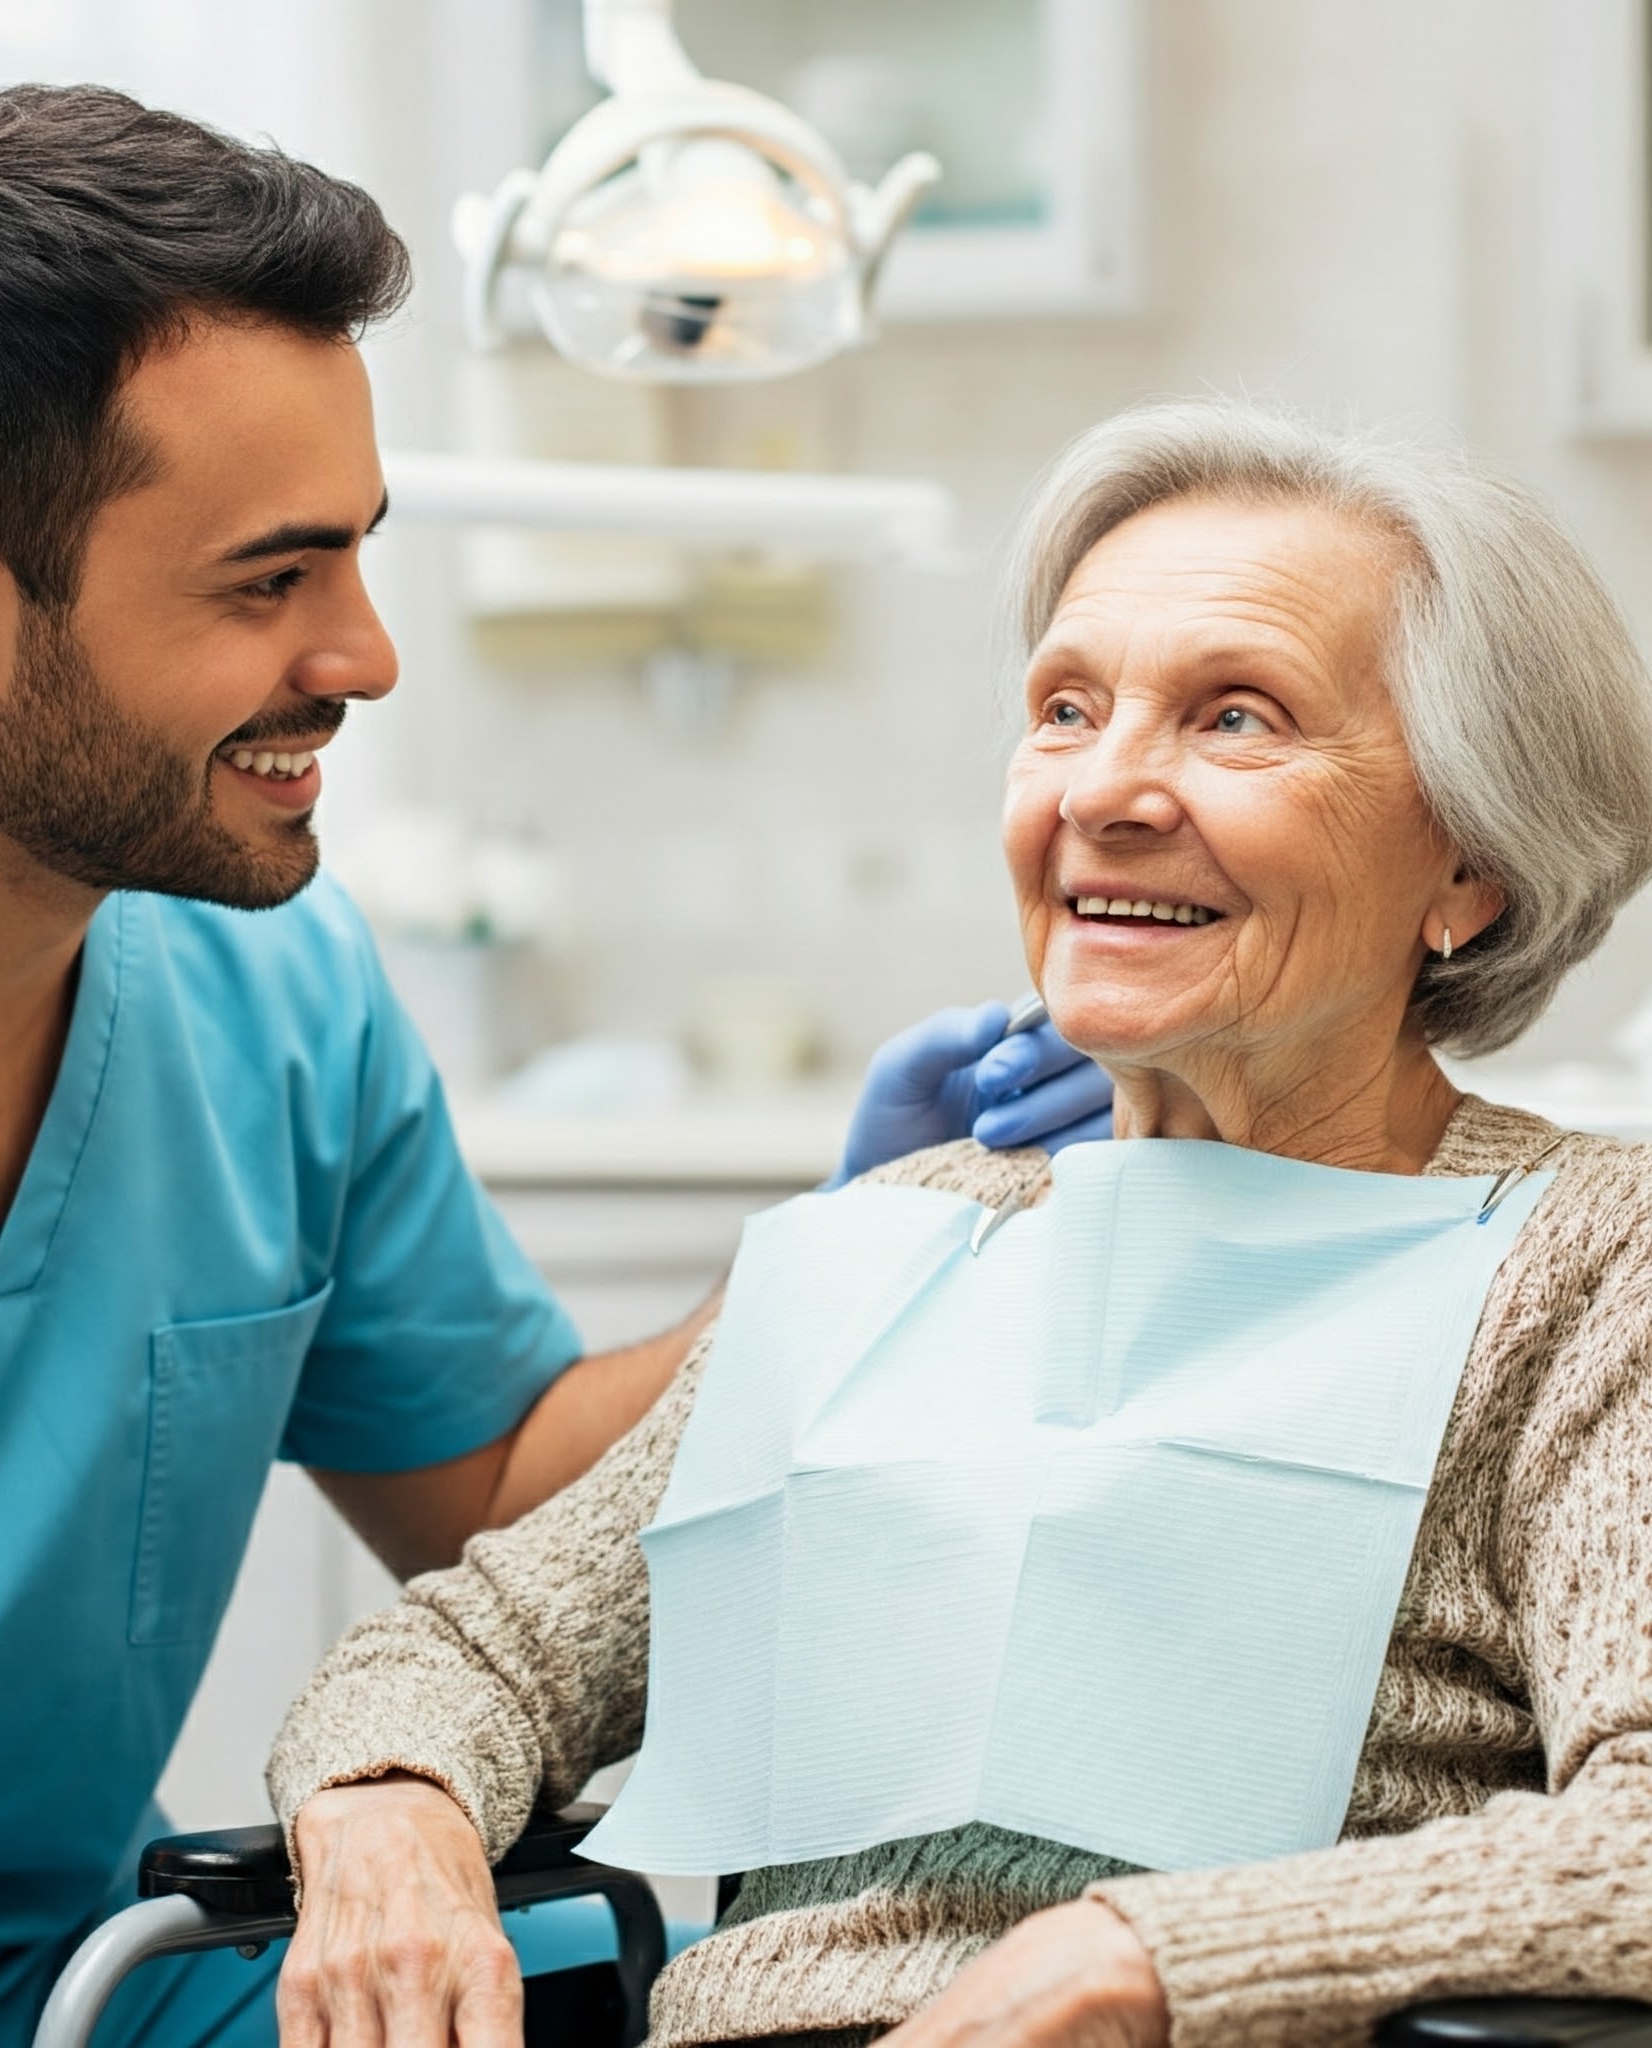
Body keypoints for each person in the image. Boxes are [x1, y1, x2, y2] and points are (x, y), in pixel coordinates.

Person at [0, 84, 1109, 2048]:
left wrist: (841, 1262)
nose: (369, 653)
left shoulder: (274, 992)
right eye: (269, 580)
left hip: (96, 1990)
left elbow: (495, 1491)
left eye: (360, 558)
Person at [266, 398, 1652, 2048]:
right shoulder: (907, 1240)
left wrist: (1133, 1965)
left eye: (1237, 719)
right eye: (1066, 708)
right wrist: (387, 1816)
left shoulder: (1588, 1265)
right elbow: (472, 1649)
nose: (1110, 789)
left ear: (1470, 870)